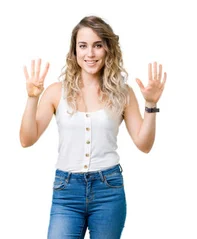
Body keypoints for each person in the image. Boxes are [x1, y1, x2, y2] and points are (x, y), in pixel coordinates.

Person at [19, 15, 167, 238]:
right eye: (83, 46)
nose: (90, 53)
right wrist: (32, 98)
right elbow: (26, 140)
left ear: (108, 49)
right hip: (66, 192)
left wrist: (151, 104)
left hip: (108, 190)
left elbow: (144, 144)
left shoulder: (123, 93)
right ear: (74, 51)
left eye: (98, 45)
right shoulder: (55, 91)